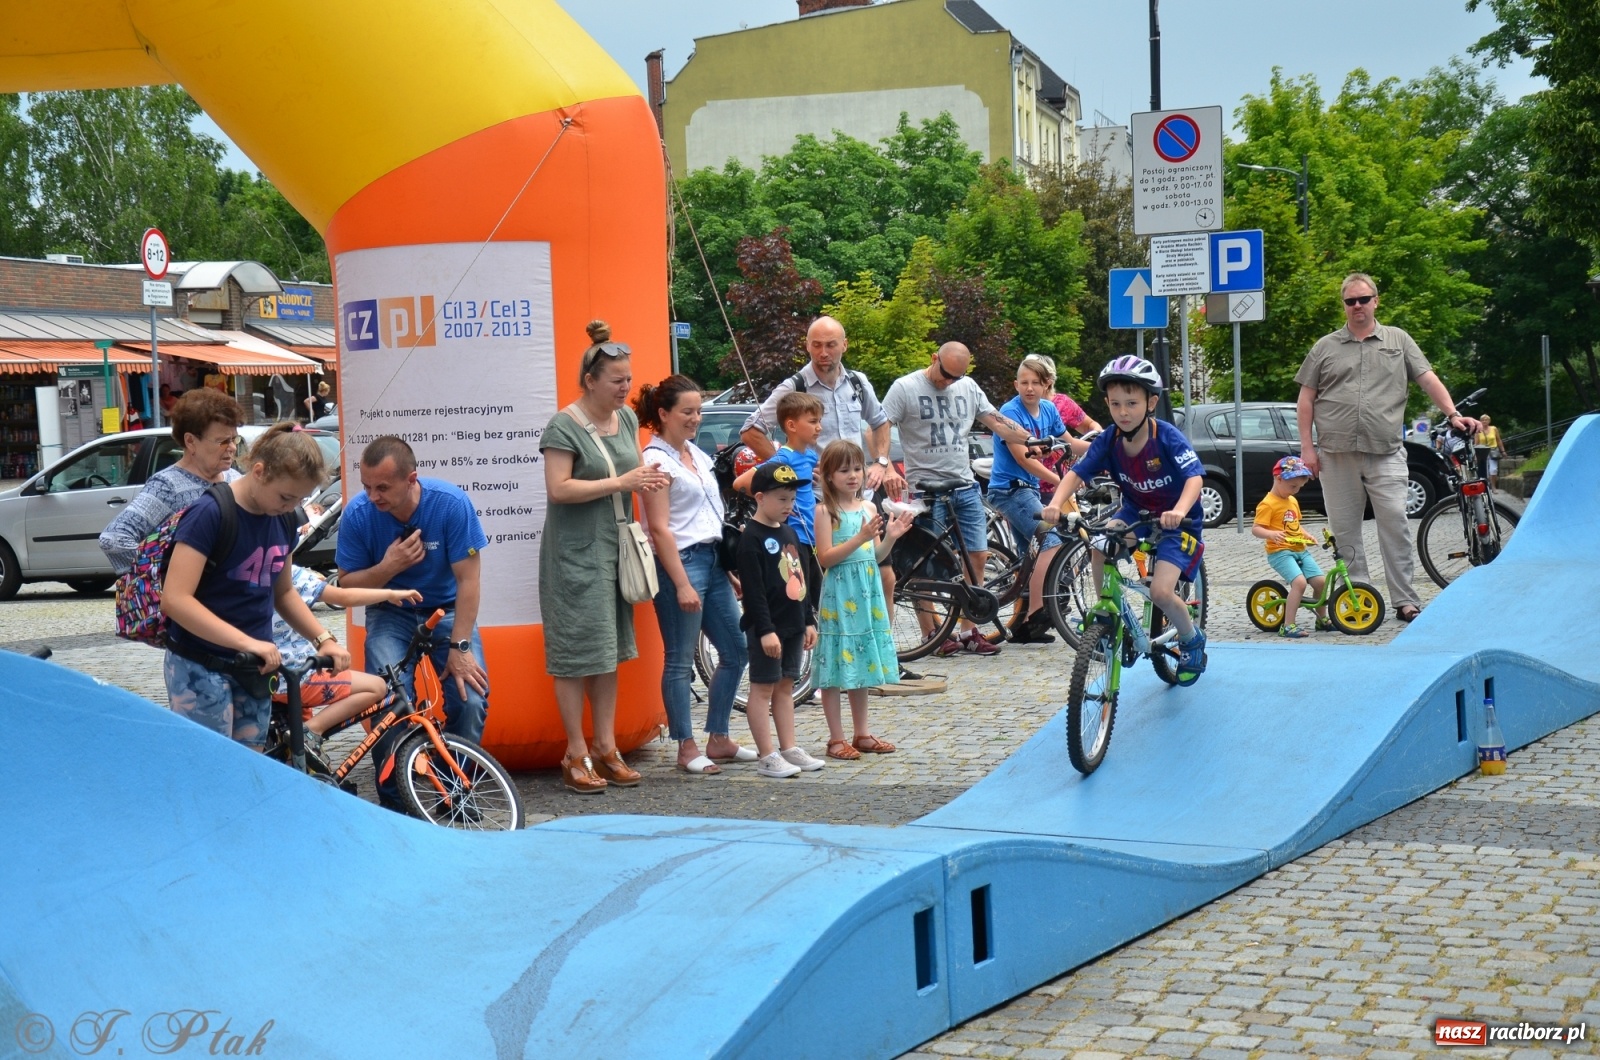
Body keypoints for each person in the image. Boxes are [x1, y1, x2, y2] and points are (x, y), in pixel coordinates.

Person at [1295, 273, 1482, 623]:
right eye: (1350, 301)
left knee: (1395, 523)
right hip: (1336, 454)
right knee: (1344, 529)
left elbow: (1428, 378)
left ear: (1376, 300)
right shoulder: (1325, 347)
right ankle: (1357, 598)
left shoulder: (1399, 340)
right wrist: (1308, 448)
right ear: (1344, 305)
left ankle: (1405, 601)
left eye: (1363, 299)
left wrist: (1453, 414)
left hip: (1386, 451)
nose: (1357, 307)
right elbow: (1306, 398)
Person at [538, 321, 669, 794]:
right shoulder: (563, 425)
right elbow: (558, 489)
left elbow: (630, 471)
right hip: (574, 554)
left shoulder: (628, 420)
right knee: (576, 654)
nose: (625, 388)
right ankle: (575, 752)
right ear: (590, 380)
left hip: (616, 549)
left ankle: (606, 747)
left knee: (608, 652)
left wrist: (647, 477)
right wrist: (623, 483)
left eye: (628, 380)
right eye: (617, 380)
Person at [159, 424, 349, 748]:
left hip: (254, 669)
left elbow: (284, 592)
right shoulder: (210, 513)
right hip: (200, 663)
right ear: (259, 471)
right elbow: (175, 599)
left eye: (299, 499)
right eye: (286, 496)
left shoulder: (285, 518)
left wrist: (324, 639)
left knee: (251, 766)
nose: (290, 506)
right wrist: (249, 643)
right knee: (209, 767)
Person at [336, 435, 491, 808]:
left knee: (469, 698)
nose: (374, 496)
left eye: (383, 487)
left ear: (411, 479)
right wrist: (389, 568)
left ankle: (458, 790)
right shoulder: (358, 514)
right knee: (388, 703)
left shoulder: (450, 504)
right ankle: (395, 801)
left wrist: (460, 647)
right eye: (367, 487)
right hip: (391, 611)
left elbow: (469, 581)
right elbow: (346, 584)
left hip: (446, 608)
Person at [1047, 355, 1208, 684]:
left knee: (1162, 593)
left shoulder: (1166, 437)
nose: (1123, 412)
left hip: (1179, 521)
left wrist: (1178, 511)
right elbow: (1077, 473)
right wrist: (1055, 503)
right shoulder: (1109, 439)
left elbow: (1195, 479)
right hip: (1135, 512)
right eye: (1115, 403)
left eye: (1132, 403)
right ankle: (1108, 614)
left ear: (1151, 402)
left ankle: (1192, 638)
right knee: (1099, 544)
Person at [880, 341, 1042, 657]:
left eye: (957, 376)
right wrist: (883, 463)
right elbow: (881, 423)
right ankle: (933, 634)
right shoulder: (906, 387)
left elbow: (996, 422)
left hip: (964, 485)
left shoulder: (967, 387)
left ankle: (969, 630)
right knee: (923, 566)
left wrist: (1031, 440)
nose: (950, 382)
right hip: (924, 488)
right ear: (934, 359)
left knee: (977, 555)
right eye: (946, 375)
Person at [635, 373, 753, 775]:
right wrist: (682, 583)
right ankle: (686, 746)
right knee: (680, 659)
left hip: (712, 559)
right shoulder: (655, 461)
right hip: (679, 564)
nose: (696, 418)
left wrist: (726, 566)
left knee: (737, 649)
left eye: (699, 410)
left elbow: (709, 514)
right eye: (687, 411)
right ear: (663, 414)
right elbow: (660, 528)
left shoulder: (696, 455)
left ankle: (718, 736)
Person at [812, 440, 913, 760]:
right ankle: (836, 738)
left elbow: (876, 554)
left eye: (857, 468)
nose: (853, 476)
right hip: (840, 592)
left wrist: (892, 537)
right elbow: (826, 558)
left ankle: (862, 732)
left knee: (862, 661)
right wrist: (860, 537)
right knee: (834, 663)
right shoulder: (825, 511)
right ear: (829, 476)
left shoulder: (869, 508)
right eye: (844, 470)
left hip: (866, 588)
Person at [739, 315, 903, 496]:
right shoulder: (795, 387)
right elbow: (750, 431)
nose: (823, 352)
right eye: (816, 345)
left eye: (831, 345)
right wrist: (788, 469)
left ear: (844, 345)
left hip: (860, 497)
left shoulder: (858, 382)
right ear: (807, 346)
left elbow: (880, 422)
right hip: (817, 499)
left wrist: (881, 463)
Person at [269, 565, 422, 755]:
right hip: (297, 676)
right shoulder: (289, 574)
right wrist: (389, 593)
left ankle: (300, 745)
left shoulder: (250, 574)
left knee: (299, 757)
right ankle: (311, 730)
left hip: (266, 676)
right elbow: (343, 596)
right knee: (376, 687)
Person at [101, 388, 244, 575]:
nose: (232, 448)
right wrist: (170, 574)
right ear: (191, 441)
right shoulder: (167, 486)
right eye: (222, 441)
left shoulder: (235, 478)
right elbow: (114, 538)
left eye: (234, 439)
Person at [736, 463, 818, 779]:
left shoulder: (790, 532)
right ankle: (767, 754)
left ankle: (789, 747)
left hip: (794, 622)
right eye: (782, 499)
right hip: (767, 628)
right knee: (763, 688)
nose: (789, 506)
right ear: (760, 497)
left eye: (792, 499)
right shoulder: (752, 538)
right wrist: (766, 630)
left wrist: (808, 619)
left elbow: (802, 575)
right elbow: (753, 591)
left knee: (786, 685)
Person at [987, 354, 1073, 645]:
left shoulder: (1048, 410)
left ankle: (1024, 627)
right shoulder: (1009, 412)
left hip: (1029, 490)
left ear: (1047, 385)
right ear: (1016, 384)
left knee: (1032, 556)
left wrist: (1106, 448)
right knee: (1051, 541)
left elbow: (1069, 443)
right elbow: (1024, 459)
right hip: (1010, 490)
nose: (1029, 388)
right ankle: (1038, 612)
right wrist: (1061, 482)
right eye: (1024, 382)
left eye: (1036, 382)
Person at [734, 391, 824, 619]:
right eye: (813, 422)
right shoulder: (784, 458)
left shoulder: (810, 456)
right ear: (792, 426)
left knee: (820, 600)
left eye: (819, 421)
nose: (819, 427)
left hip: (813, 536)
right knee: (801, 600)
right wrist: (775, 505)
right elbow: (740, 483)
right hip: (795, 539)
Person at [1252, 456, 1329, 639]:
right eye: (1293, 486)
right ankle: (1288, 625)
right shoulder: (1267, 504)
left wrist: (1306, 534)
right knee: (1299, 583)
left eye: (1299, 488)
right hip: (1279, 552)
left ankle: (1322, 619)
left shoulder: (1292, 501)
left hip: (1299, 549)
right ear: (1279, 479)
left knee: (1321, 582)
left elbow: (1295, 525)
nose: (1295, 491)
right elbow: (1256, 528)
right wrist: (1270, 534)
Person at [1476, 414, 1507, 489]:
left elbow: (1498, 440)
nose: (1484, 421)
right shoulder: (1478, 430)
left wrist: (1503, 451)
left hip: (1493, 451)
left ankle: (1493, 486)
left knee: (1493, 469)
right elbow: (1476, 443)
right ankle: (1486, 487)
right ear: (1480, 421)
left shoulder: (1494, 428)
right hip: (1482, 452)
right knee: (1485, 471)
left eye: (1486, 419)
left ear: (1489, 421)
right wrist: (1475, 455)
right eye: (1483, 420)